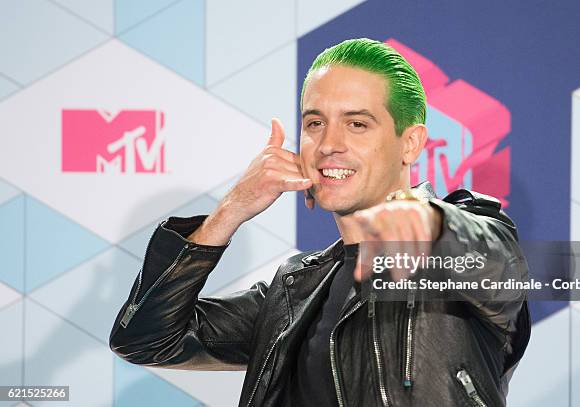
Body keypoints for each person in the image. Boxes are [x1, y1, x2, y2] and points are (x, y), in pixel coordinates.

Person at [109, 38, 530, 407]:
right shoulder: (294, 292)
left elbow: (493, 259)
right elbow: (145, 339)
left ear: (411, 143)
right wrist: (231, 210)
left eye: (357, 124)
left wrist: (425, 218)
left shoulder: (470, 240)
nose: (329, 144)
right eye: (315, 123)